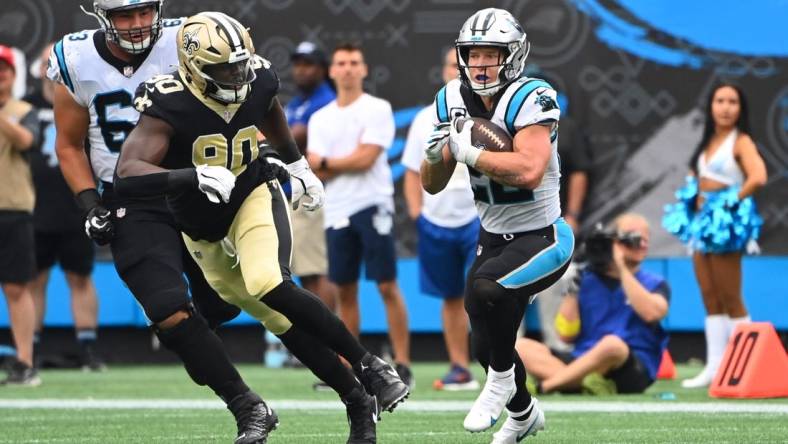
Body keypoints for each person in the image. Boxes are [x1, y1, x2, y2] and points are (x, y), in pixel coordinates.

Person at [114, 12, 410, 442]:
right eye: (225, 69)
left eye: (241, 64)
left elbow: (270, 110)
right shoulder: (169, 101)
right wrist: (189, 176)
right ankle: (357, 399)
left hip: (252, 193)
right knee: (276, 318)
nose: (238, 75)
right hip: (197, 224)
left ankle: (370, 366)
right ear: (194, 68)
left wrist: (297, 164)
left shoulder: (257, 77)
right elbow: (127, 172)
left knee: (268, 281)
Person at [51, 2, 290, 441]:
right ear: (103, 17)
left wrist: (265, 153)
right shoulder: (76, 58)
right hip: (131, 196)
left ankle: (350, 370)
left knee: (222, 304)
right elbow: (68, 144)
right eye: (125, 16)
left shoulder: (189, 38)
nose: (138, 24)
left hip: (199, 185)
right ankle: (247, 406)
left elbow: (240, 101)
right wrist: (90, 205)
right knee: (166, 310)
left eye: (144, 12)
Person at [420, 8, 574, 441]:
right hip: (492, 236)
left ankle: (503, 382)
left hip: (545, 236)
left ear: (514, 54)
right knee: (483, 344)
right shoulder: (450, 98)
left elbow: (528, 171)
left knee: (489, 290)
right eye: (474, 54)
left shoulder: (533, 96)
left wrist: (471, 154)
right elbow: (431, 185)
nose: (481, 63)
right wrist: (435, 158)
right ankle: (524, 414)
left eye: (492, 54)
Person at [306, 42, 413, 387]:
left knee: (385, 284)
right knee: (344, 289)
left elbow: (365, 159)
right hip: (336, 210)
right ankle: (349, 366)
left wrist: (326, 163)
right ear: (332, 70)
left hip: (373, 204)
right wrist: (331, 164)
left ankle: (403, 363)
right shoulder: (320, 117)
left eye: (355, 62)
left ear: (364, 70)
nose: (349, 68)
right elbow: (313, 168)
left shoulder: (377, 108)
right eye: (342, 63)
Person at [666, 82, 767, 388]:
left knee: (731, 296)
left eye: (732, 101)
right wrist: (694, 195)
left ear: (741, 108)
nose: (725, 107)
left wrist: (731, 201)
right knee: (710, 296)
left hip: (723, 225)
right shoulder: (709, 140)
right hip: (701, 224)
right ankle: (715, 367)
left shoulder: (742, 141)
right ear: (711, 106)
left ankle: (745, 367)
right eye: (719, 100)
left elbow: (758, 176)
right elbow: (698, 178)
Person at [516, 214, 669, 395]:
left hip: (629, 366)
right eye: (633, 238)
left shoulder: (655, 283)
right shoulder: (586, 280)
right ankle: (585, 384)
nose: (641, 244)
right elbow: (566, 336)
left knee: (612, 345)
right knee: (520, 347)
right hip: (583, 357)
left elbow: (652, 313)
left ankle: (547, 386)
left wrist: (621, 267)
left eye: (645, 239)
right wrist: (572, 290)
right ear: (613, 240)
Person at [402, 47, 478, 391]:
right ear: (444, 70)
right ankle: (459, 367)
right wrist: (419, 215)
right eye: (452, 64)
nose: (457, 70)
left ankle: (502, 365)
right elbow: (411, 172)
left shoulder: (488, 113)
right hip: (437, 221)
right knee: (450, 296)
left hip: (481, 218)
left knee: (492, 293)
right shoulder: (424, 118)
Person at [25, 43, 104, 371]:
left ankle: (87, 348)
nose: (50, 68)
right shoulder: (23, 107)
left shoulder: (80, 100)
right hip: (33, 208)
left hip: (76, 205)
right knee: (33, 280)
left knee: (81, 278)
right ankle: (28, 348)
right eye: (45, 62)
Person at [267, 41, 336, 371]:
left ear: (322, 68)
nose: (301, 70)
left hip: (309, 195)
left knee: (313, 271)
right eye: (298, 63)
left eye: (309, 64)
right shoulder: (298, 101)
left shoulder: (324, 102)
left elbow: (291, 138)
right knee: (298, 273)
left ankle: (324, 340)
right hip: (288, 193)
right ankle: (312, 339)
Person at [0, 44, 41, 386]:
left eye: (4, 69)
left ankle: (25, 361)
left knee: (17, 287)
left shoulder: (24, 109)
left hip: (13, 209)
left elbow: (28, 141)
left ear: (14, 75)